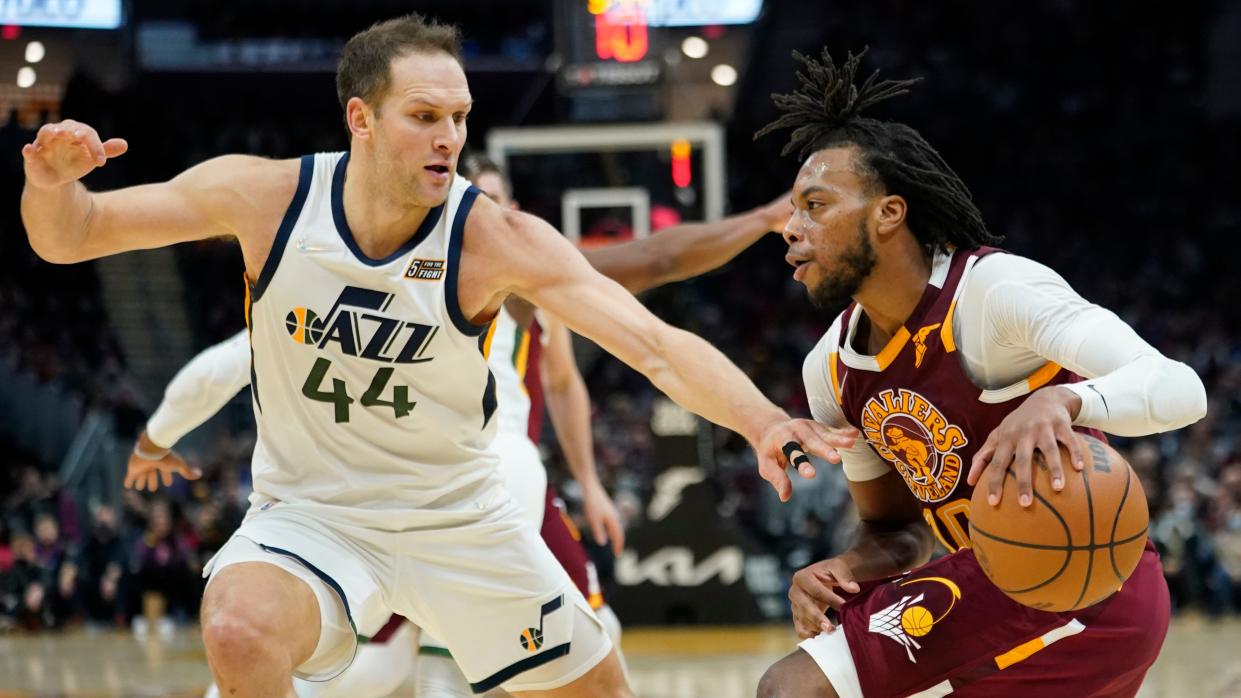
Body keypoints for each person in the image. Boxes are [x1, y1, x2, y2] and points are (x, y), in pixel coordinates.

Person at [21, 14, 848, 697]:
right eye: (425, 116)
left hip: (461, 518)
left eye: (459, 117)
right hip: (313, 515)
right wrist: (52, 187)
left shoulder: (494, 237)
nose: (449, 137)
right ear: (361, 119)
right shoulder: (265, 197)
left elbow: (654, 345)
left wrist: (763, 419)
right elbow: (75, 237)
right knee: (238, 625)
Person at [121, 156, 791, 698]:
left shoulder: (518, 261)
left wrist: (586, 476)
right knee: (417, 661)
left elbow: (585, 359)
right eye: (476, 198)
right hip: (451, 481)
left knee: (424, 658)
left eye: (498, 203)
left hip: (449, 477)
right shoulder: (445, 263)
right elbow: (656, 268)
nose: (485, 214)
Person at [752, 48, 1208, 697]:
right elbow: (896, 530)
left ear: (888, 212)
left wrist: (1068, 404)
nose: (790, 230)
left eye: (814, 205)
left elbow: (1180, 388)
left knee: (793, 690)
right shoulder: (829, 368)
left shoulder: (992, 293)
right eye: (791, 211)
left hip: (1088, 586)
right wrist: (844, 567)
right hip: (998, 579)